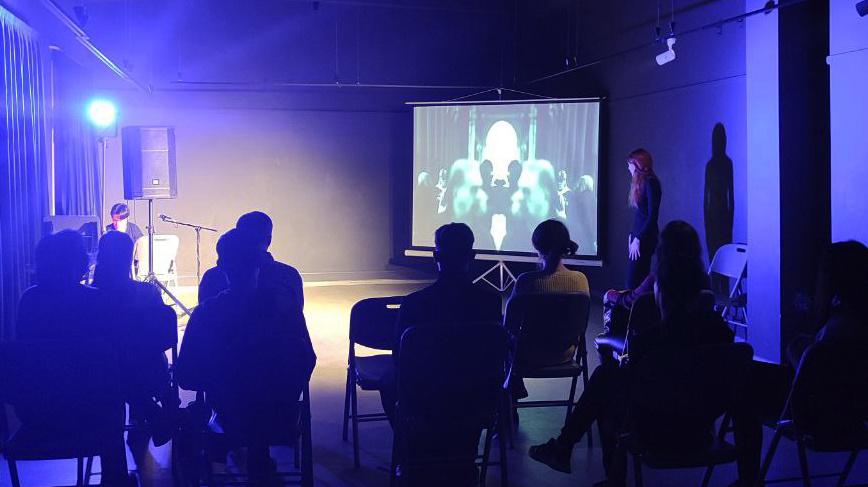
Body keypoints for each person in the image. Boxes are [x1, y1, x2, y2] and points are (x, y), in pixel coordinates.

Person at [529, 221, 735, 487]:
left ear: (660, 294)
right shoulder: (724, 339)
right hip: (701, 434)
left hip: (655, 435)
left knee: (606, 382)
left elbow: (634, 404)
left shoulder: (648, 345)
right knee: (609, 381)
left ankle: (590, 464)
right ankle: (564, 448)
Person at [177, 228, 316, 484]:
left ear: (221, 265)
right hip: (280, 413)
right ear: (261, 263)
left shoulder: (206, 313)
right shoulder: (286, 310)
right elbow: (306, 361)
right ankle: (258, 459)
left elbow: (186, 376)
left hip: (228, 414)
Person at [380, 223, 501, 487]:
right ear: (472, 256)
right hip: (473, 396)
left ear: (436, 256)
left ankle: (412, 451)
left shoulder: (414, 303)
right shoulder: (490, 303)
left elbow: (400, 355)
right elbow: (492, 354)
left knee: (387, 382)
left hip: (425, 397)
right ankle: (463, 453)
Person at [15, 231, 132, 486]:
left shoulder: (29, 302)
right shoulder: (96, 301)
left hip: (37, 414)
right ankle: (116, 478)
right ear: (76, 262)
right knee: (114, 393)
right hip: (91, 415)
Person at [91, 231, 178, 446]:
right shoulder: (147, 293)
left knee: (115, 362)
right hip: (149, 371)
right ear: (129, 258)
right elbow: (161, 338)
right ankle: (153, 410)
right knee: (138, 354)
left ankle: (147, 412)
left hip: (103, 376)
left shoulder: (89, 298)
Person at [507, 219, 589, 384]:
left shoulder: (526, 282)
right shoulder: (581, 281)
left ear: (537, 247)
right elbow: (582, 326)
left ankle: (512, 392)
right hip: (564, 355)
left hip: (528, 355)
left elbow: (509, 325)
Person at [198, 211, 304, 312]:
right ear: (269, 240)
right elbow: (296, 315)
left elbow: (203, 319)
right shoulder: (289, 275)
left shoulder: (212, 276)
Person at [625, 149, 662, 289]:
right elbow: (641, 214)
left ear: (637, 164)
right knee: (636, 280)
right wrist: (632, 235)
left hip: (644, 238)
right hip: (638, 236)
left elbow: (652, 217)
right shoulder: (641, 183)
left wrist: (638, 238)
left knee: (633, 281)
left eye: (630, 164)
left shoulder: (651, 183)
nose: (628, 167)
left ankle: (637, 303)